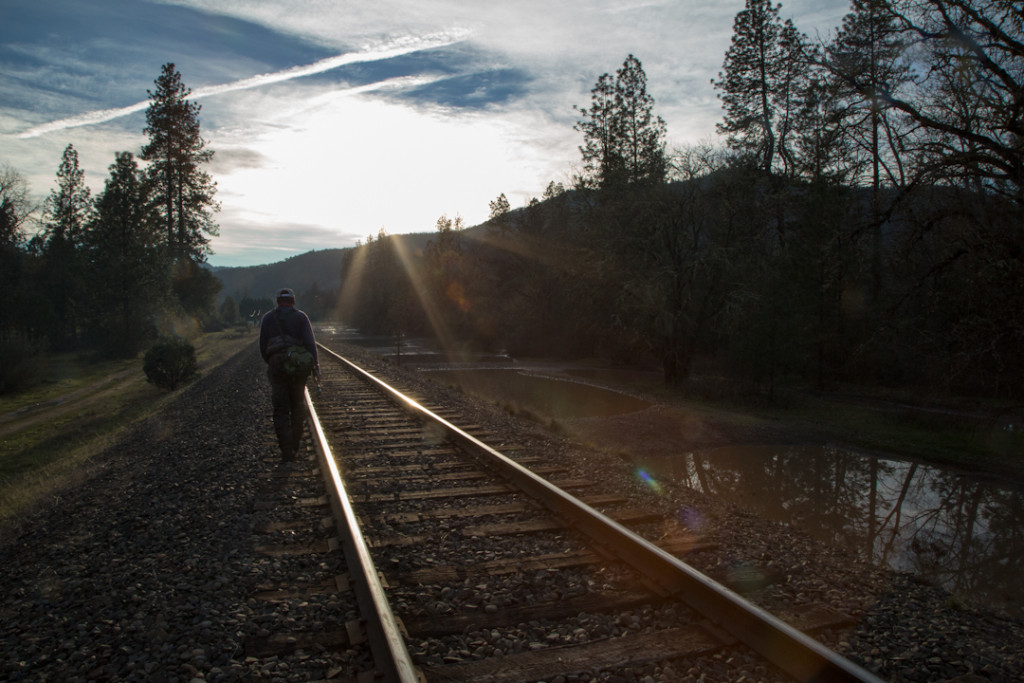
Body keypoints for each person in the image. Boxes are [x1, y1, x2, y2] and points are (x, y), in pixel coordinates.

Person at [259, 288, 320, 461]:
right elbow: (310, 344)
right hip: (298, 369)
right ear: (293, 301)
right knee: (297, 406)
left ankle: (286, 449)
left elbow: (263, 347)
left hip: (277, 369)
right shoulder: (301, 317)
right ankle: (295, 443)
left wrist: (272, 363)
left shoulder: (268, 318)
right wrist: (315, 367)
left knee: (280, 409)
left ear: (278, 302)